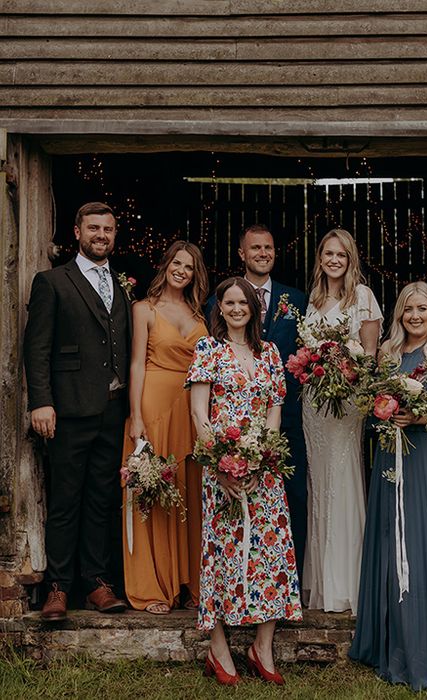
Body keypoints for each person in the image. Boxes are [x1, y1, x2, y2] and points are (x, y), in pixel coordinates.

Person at [349, 281, 427, 691]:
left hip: (425, 455)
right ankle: (389, 642)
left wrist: (418, 417)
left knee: (418, 543)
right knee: (388, 538)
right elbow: (374, 402)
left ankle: (422, 647)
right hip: (389, 456)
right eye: (407, 310)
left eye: (421, 309)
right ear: (398, 315)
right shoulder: (387, 354)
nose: (414, 316)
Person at [188, 277, 301, 686]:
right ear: (219, 308)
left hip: (263, 470)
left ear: (255, 308)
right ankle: (218, 648)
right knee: (221, 554)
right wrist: (220, 464)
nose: (236, 309)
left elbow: (274, 410)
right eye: (229, 303)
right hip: (220, 468)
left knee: (271, 557)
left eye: (244, 303)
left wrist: (262, 459)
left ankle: (261, 647)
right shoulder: (208, 349)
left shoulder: (269, 352)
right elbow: (200, 414)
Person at [23, 201, 129, 620]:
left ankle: (97, 584)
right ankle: (58, 588)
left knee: (102, 500)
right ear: (77, 232)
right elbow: (37, 346)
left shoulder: (121, 286)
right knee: (66, 500)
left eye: (108, 229)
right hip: (67, 411)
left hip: (112, 411)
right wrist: (40, 401)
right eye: (94, 228)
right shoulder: (52, 281)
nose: (101, 235)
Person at [210, 223, 309, 584]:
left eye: (268, 247)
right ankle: (237, 579)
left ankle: (285, 577)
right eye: (255, 248)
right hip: (234, 423)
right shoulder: (218, 300)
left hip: (287, 415)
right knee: (234, 503)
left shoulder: (296, 299)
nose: (262, 253)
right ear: (242, 253)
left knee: (291, 496)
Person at [121, 240, 208, 614]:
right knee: (154, 493)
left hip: (192, 407)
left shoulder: (201, 313)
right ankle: (155, 587)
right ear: (166, 265)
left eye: (189, 267)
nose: (181, 271)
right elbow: (137, 363)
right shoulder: (144, 308)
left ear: (194, 274)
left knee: (190, 493)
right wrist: (137, 416)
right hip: (154, 404)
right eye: (177, 263)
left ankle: (191, 584)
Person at [302, 228, 383, 615]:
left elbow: (369, 355)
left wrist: (346, 374)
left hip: (345, 402)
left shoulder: (363, 298)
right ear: (320, 258)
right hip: (314, 403)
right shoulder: (314, 300)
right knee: (319, 485)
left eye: (342, 255)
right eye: (328, 253)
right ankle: (320, 584)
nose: (334, 260)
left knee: (344, 480)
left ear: (351, 260)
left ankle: (347, 584)